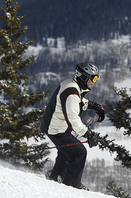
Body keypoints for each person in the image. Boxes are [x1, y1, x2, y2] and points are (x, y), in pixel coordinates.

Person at [40, 62, 106, 191]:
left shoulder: (72, 86)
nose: (94, 81)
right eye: (93, 78)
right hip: (56, 129)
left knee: (67, 152)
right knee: (79, 152)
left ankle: (56, 178)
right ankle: (72, 185)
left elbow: (79, 101)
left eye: (96, 78)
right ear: (84, 77)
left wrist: (95, 107)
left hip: (55, 127)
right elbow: (74, 120)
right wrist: (89, 135)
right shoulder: (71, 92)